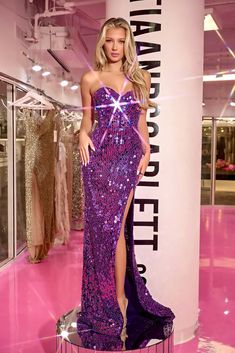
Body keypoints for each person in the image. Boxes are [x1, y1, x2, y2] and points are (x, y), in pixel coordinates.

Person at [77, 17, 175, 351]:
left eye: (121, 40)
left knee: (117, 229)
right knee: (100, 233)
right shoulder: (90, 78)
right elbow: (87, 121)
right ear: (103, 43)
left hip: (127, 160)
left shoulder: (141, 78)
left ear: (127, 43)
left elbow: (142, 122)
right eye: (110, 40)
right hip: (98, 161)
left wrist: (146, 152)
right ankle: (100, 302)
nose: (115, 47)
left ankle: (119, 298)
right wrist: (79, 136)